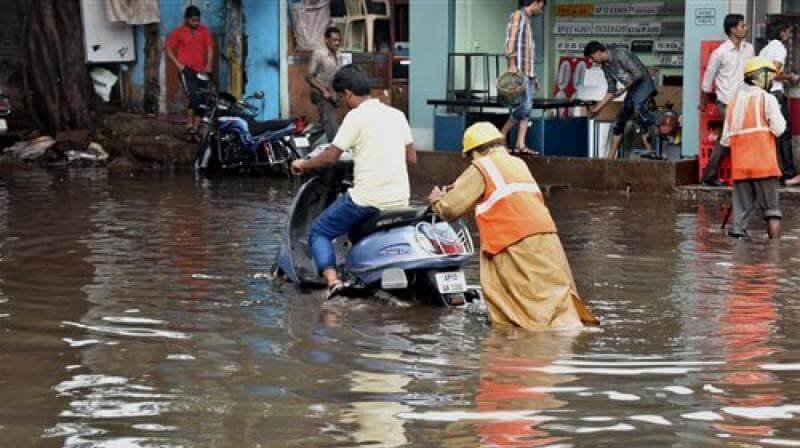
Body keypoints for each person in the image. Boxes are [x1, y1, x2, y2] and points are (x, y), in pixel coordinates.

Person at [427, 122, 598, 330]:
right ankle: (569, 334)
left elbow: (450, 209)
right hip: (547, 237)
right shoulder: (517, 163)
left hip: (513, 241)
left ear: (474, 152)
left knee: (522, 306)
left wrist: (436, 200)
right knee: (554, 297)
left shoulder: (481, 166)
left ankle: (529, 346)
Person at [291, 65, 417, 299]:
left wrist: (303, 164)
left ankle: (332, 281)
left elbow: (330, 156)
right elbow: (411, 157)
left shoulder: (356, 117)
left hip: (368, 200)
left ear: (347, 94)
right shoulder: (396, 115)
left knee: (319, 230)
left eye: (341, 97)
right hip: (400, 199)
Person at [721, 57, 786, 239]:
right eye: (770, 77)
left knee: (738, 221)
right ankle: (775, 253)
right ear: (760, 77)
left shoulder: (733, 103)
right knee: (772, 212)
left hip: (741, 167)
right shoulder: (767, 99)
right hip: (764, 165)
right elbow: (779, 129)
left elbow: (725, 141)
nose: (771, 81)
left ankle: (737, 256)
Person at [700, 14, 754, 187]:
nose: (745, 28)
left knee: (728, 138)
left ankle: (711, 176)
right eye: (742, 25)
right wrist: (704, 101)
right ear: (733, 30)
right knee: (731, 137)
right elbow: (708, 78)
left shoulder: (749, 49)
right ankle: (743, 175)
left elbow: (752, 74)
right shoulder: (720, 53)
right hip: (726, 103)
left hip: (745, 102)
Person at [584, 41, 656, 159]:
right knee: (619, 122)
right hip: (632, 89)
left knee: (640, 115)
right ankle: (610, 158)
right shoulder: (605, 67)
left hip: (644, 85)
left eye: (592, 57)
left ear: (597, 53)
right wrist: (597, 109)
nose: (592, 61)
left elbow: (638, 74)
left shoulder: (620, 54)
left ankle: (651, 154)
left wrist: (623, 90)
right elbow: (611, 90)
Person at [499, 0, 546, 155]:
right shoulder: (518, 16)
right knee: (525, 107)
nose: (541, 10)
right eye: (542, 6)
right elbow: (510, 41)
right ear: (537, 2)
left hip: (529, 72)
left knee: (528, 109)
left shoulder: (527, 20)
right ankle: (502, 134)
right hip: (519, 72)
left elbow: (528, 52)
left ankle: (520, 144)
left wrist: (535, 76)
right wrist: (511, 64)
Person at [759, 19, 800, 186]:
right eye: (788, 32)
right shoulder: (779, 48)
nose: (789, 36)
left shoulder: (764, 49)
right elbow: (773, 73)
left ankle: (770, 172)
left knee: (770, 135)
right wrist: (790, 77)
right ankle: (789, 174)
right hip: (775, 95)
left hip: (763, 94)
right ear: (782, 32)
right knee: (784, 134)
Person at [165, 6, 214, 137]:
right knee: (194, 96)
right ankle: (189, 124)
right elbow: (168, 48)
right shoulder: (179, 32)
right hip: (186, 70)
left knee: (203, 99)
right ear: (187, 19)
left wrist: (208, 64)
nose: (196, 23)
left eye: (198, 20)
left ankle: (195, 128)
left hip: (202, 70)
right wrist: (178, 65)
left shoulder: (204, 31)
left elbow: (209, 48)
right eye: (193, 20)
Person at [307, 27, 343, 142]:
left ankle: (307, 134)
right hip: (318, 92)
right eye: (334, 40)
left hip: (332, 94)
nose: (337, 43)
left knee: (324, 122)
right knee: (330, 119)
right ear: (326, 40)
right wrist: (324, 91)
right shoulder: (319, 54)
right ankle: (335, 146)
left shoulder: (340, 54)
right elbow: (309, 77)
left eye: (339, 40)